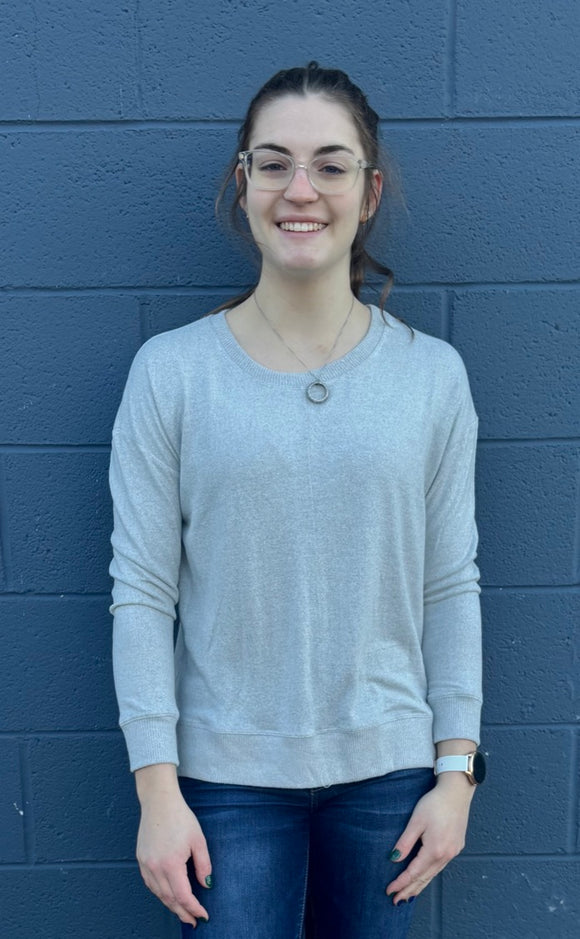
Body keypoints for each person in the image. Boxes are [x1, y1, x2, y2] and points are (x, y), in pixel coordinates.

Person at [109, 62, 484, 939]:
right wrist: (157, 791)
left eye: (330, 164)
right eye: (273, 163)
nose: (300, 189)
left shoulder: (431, 376)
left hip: (391, 780)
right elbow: (143, 592)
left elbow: (449, 583)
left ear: (369, 189)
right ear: (242, 184)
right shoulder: (172, 373)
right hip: (223, 786)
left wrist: (456, 773)